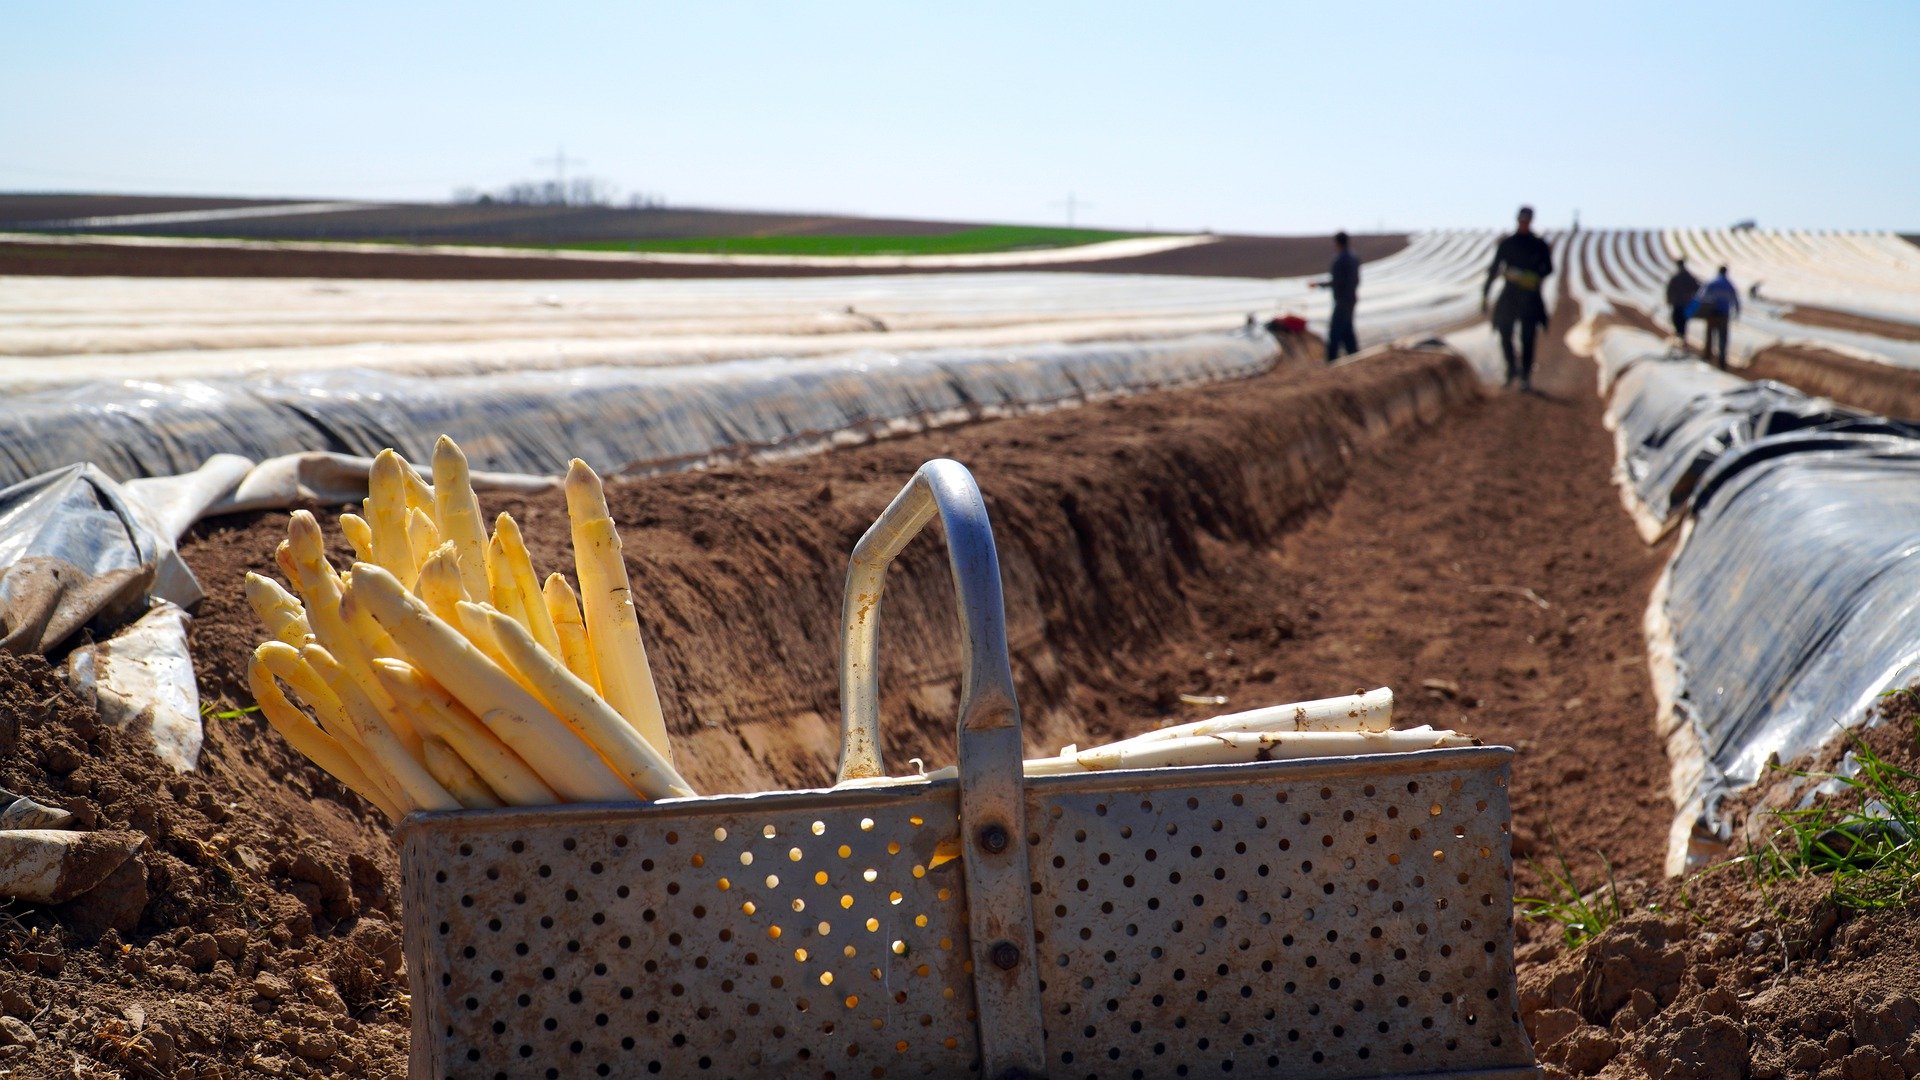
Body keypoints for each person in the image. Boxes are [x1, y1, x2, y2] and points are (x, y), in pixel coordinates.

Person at [1481, 206, 1555, 390]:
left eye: (1527, 220)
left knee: (1527, 336)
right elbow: (1494, 268)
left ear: (1530, 221)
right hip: (1510, 295)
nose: (1524, 223)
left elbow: (1548, 268)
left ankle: (1525, 375)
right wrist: (1485, 293)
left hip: (1530, 296)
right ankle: (1511, 369)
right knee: (1505, 331)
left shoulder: (1538, 245)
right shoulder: (1507, 244)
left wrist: (1532, 275)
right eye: (1521, 220)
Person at [1309, 231, 1361, 362]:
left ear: (1337, 243)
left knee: (1335, 331)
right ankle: (1354, 356)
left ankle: (1331, 361)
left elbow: (1337, 281)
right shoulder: (1353, 257)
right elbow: (1355, 280)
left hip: (1343, 300)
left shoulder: (1340, 259)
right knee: (1347, 330)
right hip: (1351, 298)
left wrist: (1319, 284)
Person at [1695, 265, 1742, 369]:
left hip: (1712, 313)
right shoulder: (1730, 285)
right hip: (1724, 315)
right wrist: (1737, 314)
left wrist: (1697, 310)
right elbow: (1736, 300)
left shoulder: (1712, 283)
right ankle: (1722, 361)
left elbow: (1701, 296)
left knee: (1709, 336)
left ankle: (1707, 357)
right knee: (1723, 338)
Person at [1665, 259, 1700, 345]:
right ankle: (1681, 337)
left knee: (1676, 319)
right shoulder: (1688, 276)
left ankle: (1679, 336)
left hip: (1678, 303)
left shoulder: (1676, 276)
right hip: (1685, 303)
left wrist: (1669, 299)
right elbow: (1696, 287)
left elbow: (1670, 289)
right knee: (1683, 321)